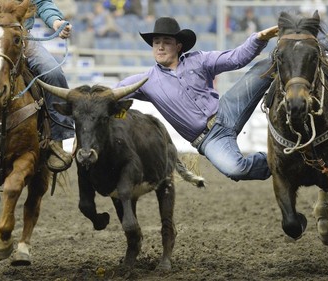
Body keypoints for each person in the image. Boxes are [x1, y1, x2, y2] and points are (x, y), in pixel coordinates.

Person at [116, 17, 278, 181]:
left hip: (227, 110)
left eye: (166, 41)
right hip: (210, 139)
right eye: (156, 42)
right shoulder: (146, 81)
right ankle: (282, 161)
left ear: (178, 46)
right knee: (236, 169)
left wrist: (259, 38)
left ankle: (293, 47)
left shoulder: (198, 60)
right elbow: (112, 93)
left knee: (272, 63)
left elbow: (236, 58)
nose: (160, 46)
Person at [0, 0, 75, 173]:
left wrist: (56, 21)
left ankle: (57, 139)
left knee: (54, 74)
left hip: (18, 40)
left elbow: (42, 3)